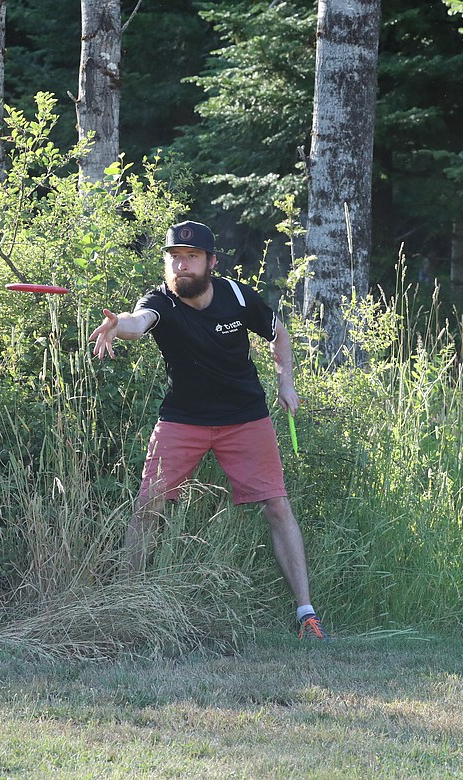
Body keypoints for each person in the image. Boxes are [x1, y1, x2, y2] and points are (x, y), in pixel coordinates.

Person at [89, 220, 327, 641]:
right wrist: (117, 324)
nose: (181, 265)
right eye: (174, 258)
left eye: (191, 257)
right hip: (183, 418)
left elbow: (279, 335)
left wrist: (285, 380)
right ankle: (123, 603)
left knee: (277, 505)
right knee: (148, 506)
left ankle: (307, 616)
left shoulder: (236, 296)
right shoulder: (160, 301)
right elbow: (137, 322)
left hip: (245, 417)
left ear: (211, 262)